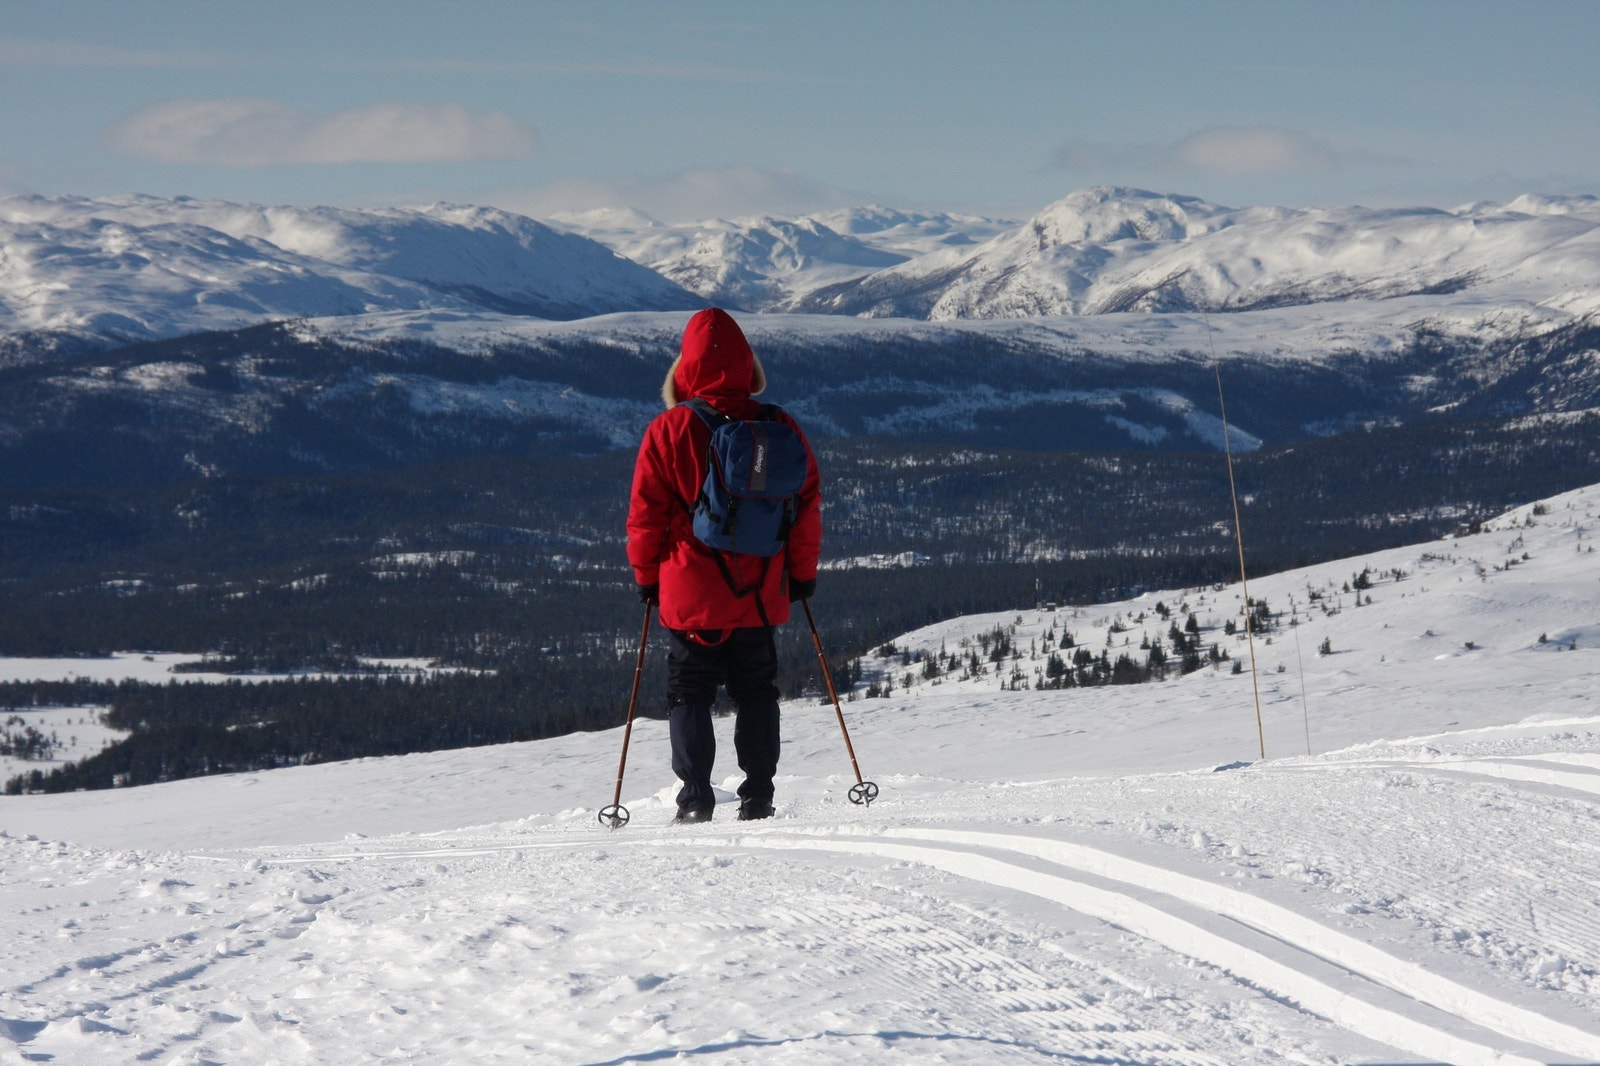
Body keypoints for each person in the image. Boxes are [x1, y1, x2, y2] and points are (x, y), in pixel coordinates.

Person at [627, 308, 822, 823]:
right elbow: (805, 509)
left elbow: (645, 517)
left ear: (684, 370)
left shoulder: (669, 429)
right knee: (757, 690)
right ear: (748, 367)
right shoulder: (779, 425)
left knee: (689, 692)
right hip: (761, 588)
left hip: (691, 592)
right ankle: (758, 795)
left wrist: (647, 578)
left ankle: (695, 800)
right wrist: (801, 574)